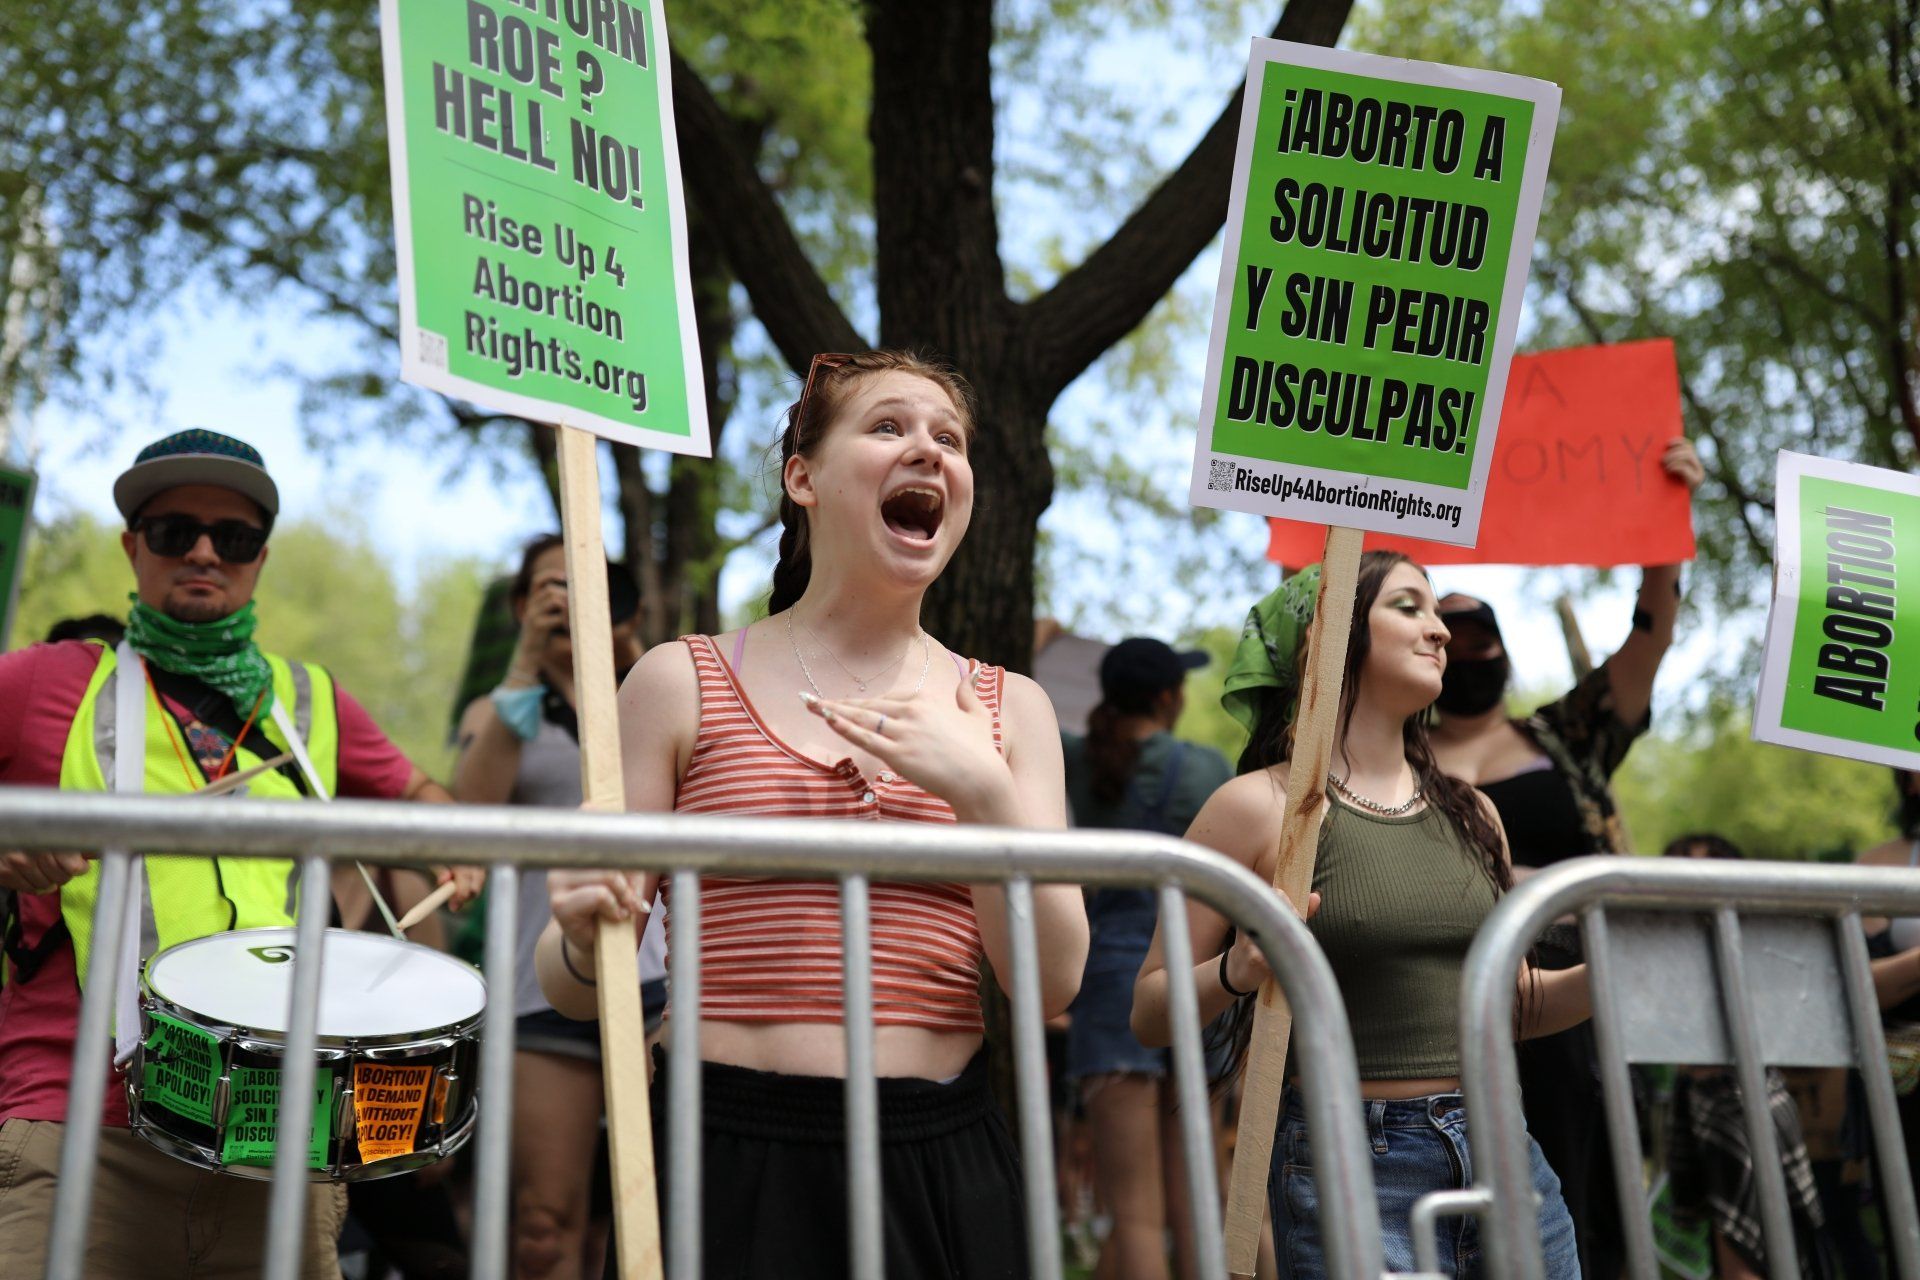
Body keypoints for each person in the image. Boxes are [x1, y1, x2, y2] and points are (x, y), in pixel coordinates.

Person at [536, 349, 1089, 1279]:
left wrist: (986, 796)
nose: (926, 451)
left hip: (939, 1157)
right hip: (724, 1148)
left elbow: (1051, 984)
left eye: (947, 439)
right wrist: (587, 932)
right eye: (887, 427)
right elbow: (572, 983)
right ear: (803, 478)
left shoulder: (1010, 710)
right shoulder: (681, 680)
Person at [0, 429, 481, 1279]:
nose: (203, 552)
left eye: (235, 537)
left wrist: (457, 845)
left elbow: (422, 797)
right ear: (130, 546)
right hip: (81, 1128)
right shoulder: (46, 681)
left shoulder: (311, 699)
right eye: (172, 530)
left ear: (261, 556)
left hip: (280, 1142)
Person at [1133, 551, 1594, 1279]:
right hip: (1353, 1167)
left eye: (1436, 611)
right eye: (1409, 607)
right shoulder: (1256, 808)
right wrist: (1238, 969)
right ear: (1333, 635)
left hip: (1508, 1155)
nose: (1440, 631)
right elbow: (1150, 1011)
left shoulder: (1476, 813)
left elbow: (1506, 1004)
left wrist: (1609, 974)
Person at [1427, 436, 1705, 1280]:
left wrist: (1665, 531)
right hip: (1434, 1003)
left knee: (1577, 1186)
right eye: (1450, 628)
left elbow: (1646, 645)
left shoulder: (1564, 736)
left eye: (1484, 632)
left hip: (1567, 1003)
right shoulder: (1386, 757)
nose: (1468, 646)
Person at [451, 533, 665, 1280]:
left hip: (655, 985)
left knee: (648, 1211)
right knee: (545, 1223)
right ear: (521, 604)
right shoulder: (502, 709)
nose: (572, 599)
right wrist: (525, 662)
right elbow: (463, 825)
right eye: (553, 586)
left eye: (590, 585)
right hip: (541, 988)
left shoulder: (645, 695)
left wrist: (628, 645)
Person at [1664, 832, 1920, 1280]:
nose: (1698, 877)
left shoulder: (1771, 931)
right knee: (1740, 1234)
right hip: (1719, 1097)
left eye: (1712, 864)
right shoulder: (1657, 940)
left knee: (1826, 1226)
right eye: (1681, 865)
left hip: (1794, 1100)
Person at [1061, 636, 1232, 1280]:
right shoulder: (1207, 766)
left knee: (1133, 1211)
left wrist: (1048, 639)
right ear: (1168, 697)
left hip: (1111, 984)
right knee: (1201, 1194)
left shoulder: (1078, 759)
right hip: (1195, 975)